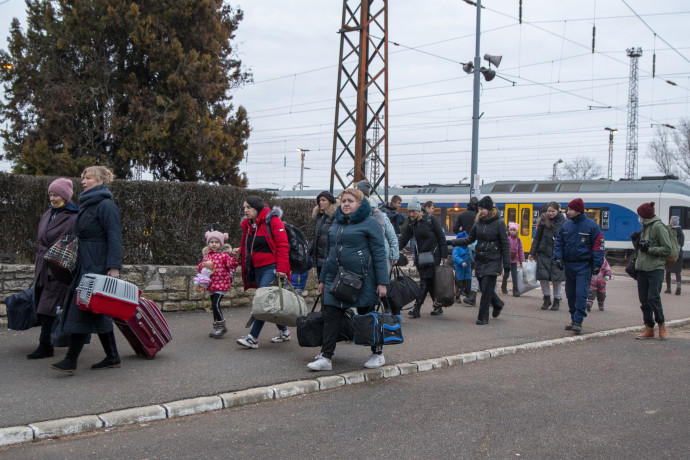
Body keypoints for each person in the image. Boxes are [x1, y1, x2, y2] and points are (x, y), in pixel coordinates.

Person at [51, 166, 123, 373]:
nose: (83, 181)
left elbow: (114, 237)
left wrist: (113, 267)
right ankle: (112, 356)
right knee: (93, 311)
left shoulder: (106, 205)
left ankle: (71, 360)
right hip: (85, 263)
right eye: (83, 178)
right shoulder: (88, 204)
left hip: (97, 265)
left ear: (100, 181)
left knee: (85, 309)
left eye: (88, 178)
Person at [307, 188, 389, 371]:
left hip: (363, 280)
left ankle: (378, 353)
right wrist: (322, 280)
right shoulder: (335, 222)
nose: (345, 204)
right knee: (331, 316)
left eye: (350, 201)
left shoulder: (371, 223)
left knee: (366, 316)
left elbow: (379, 254)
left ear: (359, 203)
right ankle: (326, 357)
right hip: (335, 278)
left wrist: (382, 283)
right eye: (343, 200)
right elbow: (328, 253)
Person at [28, 178, 79, 359]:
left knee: (48, 306)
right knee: (44, 304)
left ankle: (45, 345)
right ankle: (51, 342)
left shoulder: (73, 217)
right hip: (43, 265)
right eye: (50, 194)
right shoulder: (48, 214)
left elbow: (73, 242)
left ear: (65, 195)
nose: (53, 198)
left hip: (59, 267)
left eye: (56, 194)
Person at [235, 196, 292, 349]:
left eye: (248, 207)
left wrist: (281, 268)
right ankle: (284, 332)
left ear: (257, 207)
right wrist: (240, 251)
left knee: (263, 301)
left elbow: (282, 245)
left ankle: (253, 337)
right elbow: (253, 246)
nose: (246, 211)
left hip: (272, 268)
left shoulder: (272, 221)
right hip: (257, 268)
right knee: (269, 301)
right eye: (244, 208)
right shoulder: (250, 225)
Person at [451, 196, 510, 325]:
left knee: (486, 289)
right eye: (479, 209)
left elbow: (505, 244)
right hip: (480, 259)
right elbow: (470, 239)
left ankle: (482, 317)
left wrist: (507, 264)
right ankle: (498, 304)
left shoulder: (499, 223)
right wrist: (453, 242)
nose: (480, 211)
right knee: (485, 289)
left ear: (489, 209)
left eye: (483, 209)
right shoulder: (478, 223)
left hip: (493, 259)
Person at [553, 198, 605, 335]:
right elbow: (559, 243)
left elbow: (598, 246)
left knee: (581, 293)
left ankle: (578, 321)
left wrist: (597, 264)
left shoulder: (592, 227)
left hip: (584, 265)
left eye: (570, 209)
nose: (567, 212)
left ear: (578, 210)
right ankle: (573, 319)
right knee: (570, 294)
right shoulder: (566, 226)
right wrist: (558, 258)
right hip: (569, 265)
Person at [398, 196, 448, 317]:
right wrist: (395, 249)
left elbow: (441, 238)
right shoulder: (412, 224)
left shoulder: (431, 220)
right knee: (429, 282)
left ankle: (417, 308)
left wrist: (444, 255)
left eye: (413, 211)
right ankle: (438, 306)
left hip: (433, 256)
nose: (411, 214)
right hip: (422, 258)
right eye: (409, 212)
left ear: (419, 210)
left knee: (424, 281)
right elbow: (404, 239)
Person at [630, 202, 673, 339]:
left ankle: (661, 324)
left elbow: (667, 248)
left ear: (645, 215)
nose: (639, 217)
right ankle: (649, 327)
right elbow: (640, 250)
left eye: (640, 215)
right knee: (644, 300)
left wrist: (650, 249)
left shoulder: (658, 227)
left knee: (653, 297)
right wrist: (635, 241)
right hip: (642, 268)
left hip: (655, 268)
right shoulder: (644, 228)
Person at [196, 231, 239, 339]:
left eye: (216, 242)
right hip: (211, 285)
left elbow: (231, 264)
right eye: (211, 242)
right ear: (208, 243)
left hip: (222, 284)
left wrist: (236, 257)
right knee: (214, 306)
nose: (214, 244)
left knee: (215, 305)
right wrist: (203, 265)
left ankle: (221, 326)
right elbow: (200, 268)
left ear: (221, 244)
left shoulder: (224, 256)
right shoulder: (206, 256)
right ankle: (216, 327)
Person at [528, 201, 566, 310]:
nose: (550, 213)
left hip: (557, 254)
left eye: (553, 211)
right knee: (543, 278)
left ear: (558, 211)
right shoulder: (543, 221)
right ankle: (547, 298)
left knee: (556, 279)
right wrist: (532, 252)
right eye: (549, 211)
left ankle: (557, 300)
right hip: (543, 253)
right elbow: (537, 237)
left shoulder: (564, 222)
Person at [356, 180, 399, 273]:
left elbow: (392, 236)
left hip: (381, 256)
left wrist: (394, 255)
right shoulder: (354, 216)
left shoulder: (382, 216)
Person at [309, 191, 337, 278]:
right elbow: (316, 237)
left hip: (329, 257)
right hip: (319, 258)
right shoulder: (320, 217)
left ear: (330, 201)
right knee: (321, 284)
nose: (321, 202)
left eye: (323, 200)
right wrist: (308, 250)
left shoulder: (334, 216)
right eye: (319, 200)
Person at [501, 222, 524, 297]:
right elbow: (503, 248)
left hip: (514, 261)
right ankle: (503, 286)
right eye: (511, 230)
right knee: (506, 274)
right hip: (507, 260)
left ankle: (515, 290)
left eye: (514, 230)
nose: (513, 231)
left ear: (517, 231)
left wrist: (522, 261)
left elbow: (521, 251)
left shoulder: (518, 240)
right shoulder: (506, 239)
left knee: (514, 275)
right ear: (509, 231)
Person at [664, 215, 684, 295]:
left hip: (670, 253)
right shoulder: (680, 232)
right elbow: (681, 244)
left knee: (668, 271)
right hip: (678, 253)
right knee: (677, 272)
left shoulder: (668, 230)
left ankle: (668, 288)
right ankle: (678, 286)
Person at [452, 231, 472, 302]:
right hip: (459, 269)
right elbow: (455, 257)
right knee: (458, 283)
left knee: (468, 283)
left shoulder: (468, 248)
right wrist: (461, 262)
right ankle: (457, 296)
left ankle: (468, 296)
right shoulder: (457, 248)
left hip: (467, 269)